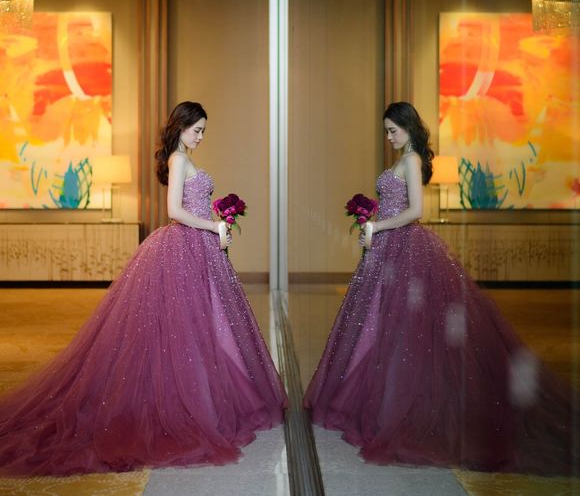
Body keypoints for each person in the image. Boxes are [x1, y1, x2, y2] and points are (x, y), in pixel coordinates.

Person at [0, 101, 287, 477]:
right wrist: (213, 225)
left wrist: (217, 224)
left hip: (198, 247)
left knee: (204, 326)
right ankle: (193, 404)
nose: (201, 137)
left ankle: (207, 398)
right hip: (185, 245)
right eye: (196, 130)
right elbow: (175, 211)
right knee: (188, 328)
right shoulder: (178, 159)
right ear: (181, 127)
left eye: (204, 131)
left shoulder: (185, 157)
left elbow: (192, 206)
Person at [304, 101, 578, 475]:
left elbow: (416, 211)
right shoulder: (404, 159)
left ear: (408, 127)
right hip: (388, 247)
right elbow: (396, 205)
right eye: (386, 131)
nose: (389, 137)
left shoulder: (412, 159)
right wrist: (373, 225)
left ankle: (397, 408)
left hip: (404, 246)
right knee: (380, 327)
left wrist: (376, 226)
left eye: (393, 130)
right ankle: (379, 403)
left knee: (403, 332)